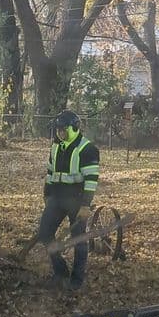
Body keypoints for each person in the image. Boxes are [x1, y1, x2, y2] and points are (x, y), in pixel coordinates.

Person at [38, 109, 100, 290]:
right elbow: (50, 173)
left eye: (63, 129)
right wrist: (47, 195)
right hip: (56, 199)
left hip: (77, 201)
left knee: (79, 240)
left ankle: (76, 281)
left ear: (74, 128)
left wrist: (85, 205)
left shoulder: (87, 149)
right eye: (58, 129)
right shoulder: (56, 146)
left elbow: (91, 181)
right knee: (44, 233)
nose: (60, 132)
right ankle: (60, 271)